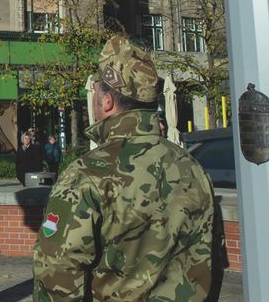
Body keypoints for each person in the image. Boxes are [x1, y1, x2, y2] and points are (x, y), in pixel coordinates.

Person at [33, 37, 214, 301]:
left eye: (96, 93)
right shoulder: (192, 168)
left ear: (106, 102)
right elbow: (210, 262)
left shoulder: (88, 173)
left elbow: (56, 271)